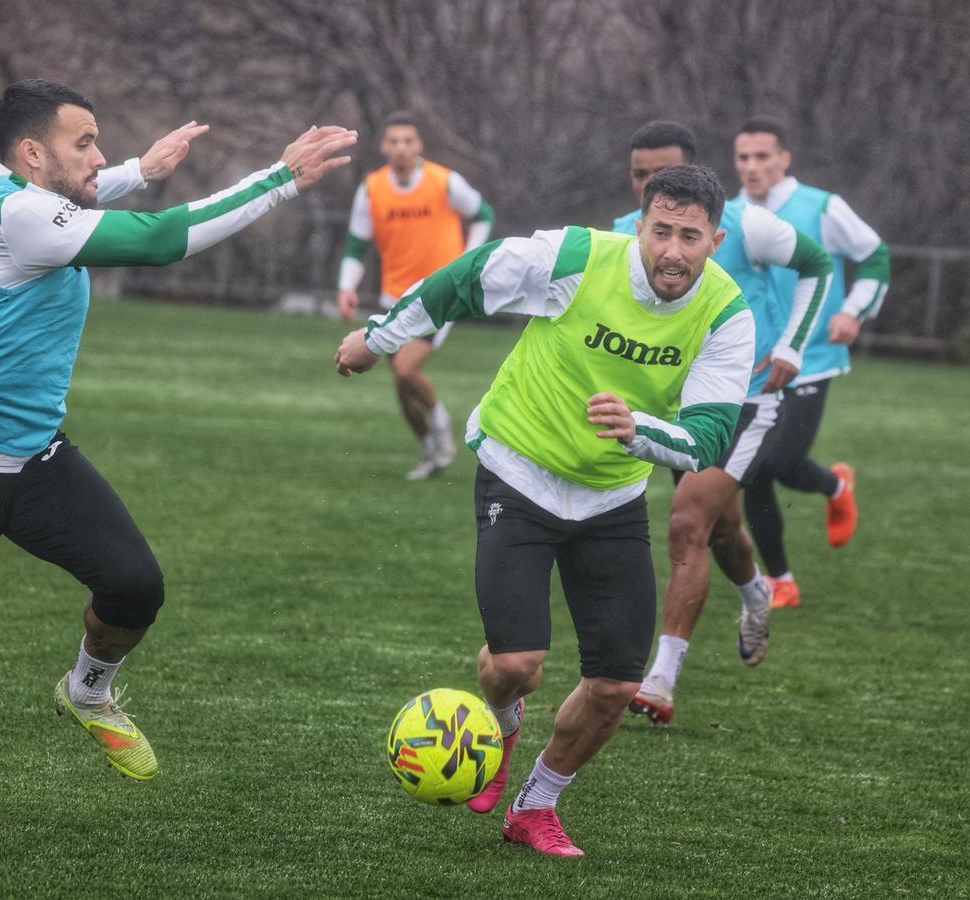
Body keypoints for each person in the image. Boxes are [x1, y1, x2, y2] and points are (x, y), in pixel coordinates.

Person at [0, 79, 356, 815]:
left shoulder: (9, 188)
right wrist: (281, 178)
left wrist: (135, 171)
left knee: (136, 588)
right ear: (33, 152)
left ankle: (87, 692)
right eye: (85, 144)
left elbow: (69, 200)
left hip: (32, 456)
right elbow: (162, 240)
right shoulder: (17, 214)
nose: (98, 155)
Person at [336, 165, 755, 859]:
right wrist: (378, 339)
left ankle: (535, 806)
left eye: (690, 236)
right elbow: (468, 276)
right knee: (515, 665)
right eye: (660, 231)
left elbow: (710, 435)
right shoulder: (577, 257)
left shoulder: (727, 312)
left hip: (612, 495)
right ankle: (503, 721)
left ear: (717, 238)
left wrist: (638, 430)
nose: (672, 251)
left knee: (618, 682)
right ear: (639, 224)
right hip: (518, 470)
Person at [612, 121, 833, 726]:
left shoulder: (746, 224)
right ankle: (755, 592)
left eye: (661, 175)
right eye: (640, 177)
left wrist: (791, 345)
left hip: (748, 403)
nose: (648, 187)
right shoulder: (620, 239)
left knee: (687, 521)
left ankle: (661, 679)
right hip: (675, 412)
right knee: (719, 528)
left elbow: (818, 264)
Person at [734, 115, 891, 609]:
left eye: (762, 156)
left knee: (781, 462)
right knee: (755, 471)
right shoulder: (730, 214)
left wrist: (852, 311)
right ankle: (781, 579)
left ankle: (836, 484)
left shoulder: (822, 207)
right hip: (753, 365)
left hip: (813, 357)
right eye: (743, 157)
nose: (752, 167)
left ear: (784, 159)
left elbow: (876, 257)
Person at [336, 111, 495, 479]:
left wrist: (468, 260)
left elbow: (484, 214)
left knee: (407, 368)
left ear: (419, 145)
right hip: (395, 296)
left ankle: (440, 422)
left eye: (408, 141)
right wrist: (347, 287)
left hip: (439, 294)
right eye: (394, 141)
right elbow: (357, 245)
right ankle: (429, 451)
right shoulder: (372, 189)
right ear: (383, 147)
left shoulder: (445, 182)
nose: (401, 148)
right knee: (400, 382)